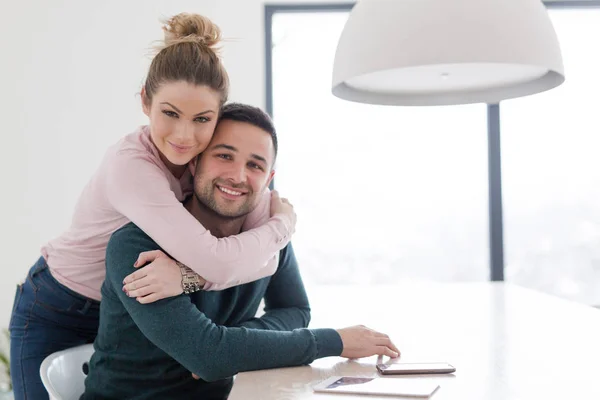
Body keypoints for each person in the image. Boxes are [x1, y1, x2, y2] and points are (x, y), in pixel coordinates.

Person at [9, 13, 296, 400]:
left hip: (125, 304)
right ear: (145, 101)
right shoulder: (132, 168)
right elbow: (224, 262)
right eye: (170, 113)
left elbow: (268, 263)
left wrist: (190, 275)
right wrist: (282, 227)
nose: (184, 135)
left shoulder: (207, 172)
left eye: (202, 119)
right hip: (58, 306)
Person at [82, 103, 400, 400]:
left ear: (269, 179)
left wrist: (234, 339)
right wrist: (336, 341)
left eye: (255, 165)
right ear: (195, 162)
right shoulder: (136, 246)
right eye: (224, 156)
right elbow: (208, 357)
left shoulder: (267, 238)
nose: (237, 176)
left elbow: (295, 309)